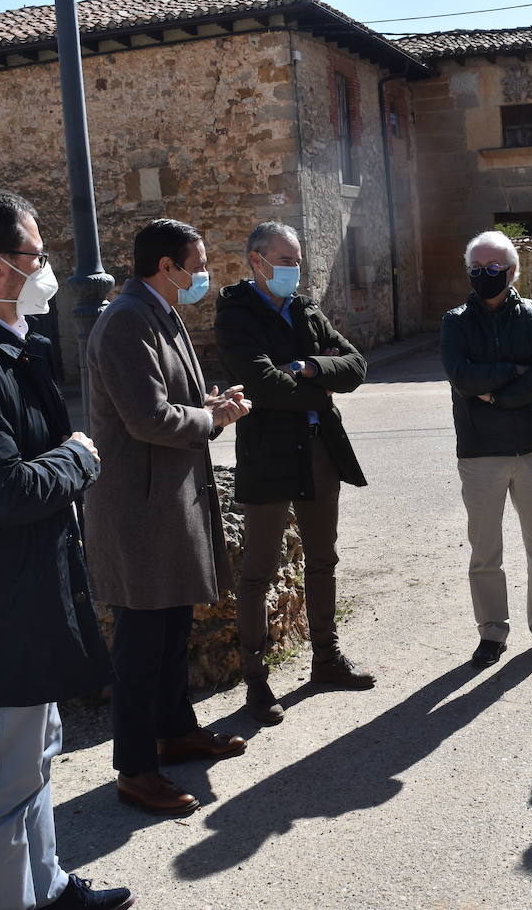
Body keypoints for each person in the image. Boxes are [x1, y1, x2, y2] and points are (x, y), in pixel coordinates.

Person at [0, 188, 134, 908]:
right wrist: (80, 456)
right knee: (3, 784)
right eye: (35, 256)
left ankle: (46, 889)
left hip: (26, 591)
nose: (47, 269)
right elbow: (0, 490)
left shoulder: (7, 344)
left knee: (36, 755)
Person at [85, 219, 251, 816]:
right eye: (197, 262)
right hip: (140, 509)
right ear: (166, 266)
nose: (203, 272)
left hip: (168, 501)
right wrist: (215, 421)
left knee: (172, 629)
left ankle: (176, 731)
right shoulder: (128, 319)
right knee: (140, 644)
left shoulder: (161, 310)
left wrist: (209, 403)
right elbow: (147, 419)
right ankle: (135, 768)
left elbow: (169, 401)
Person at [215, 221, 374, 724]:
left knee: (323, 559)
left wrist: (306, 367)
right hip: (267, 453)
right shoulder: (235, 314)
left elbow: (356, 366)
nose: (294, 268)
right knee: (258, 572)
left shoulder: (304, 308)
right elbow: (261, 385)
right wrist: (316, 383)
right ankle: (257, 682)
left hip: (318, 450)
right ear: (256, 261)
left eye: (297, 259)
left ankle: (325, 658)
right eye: (285, 259)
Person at [439, 230, 532, 666]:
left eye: (494, 269)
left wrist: (495, 394)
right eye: (477, 269)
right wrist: (514, 372)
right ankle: (492, 633)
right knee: (485, 552)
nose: (485, 276)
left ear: (513, 272)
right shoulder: (455, 321)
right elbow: (462, 377)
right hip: (479, 452)